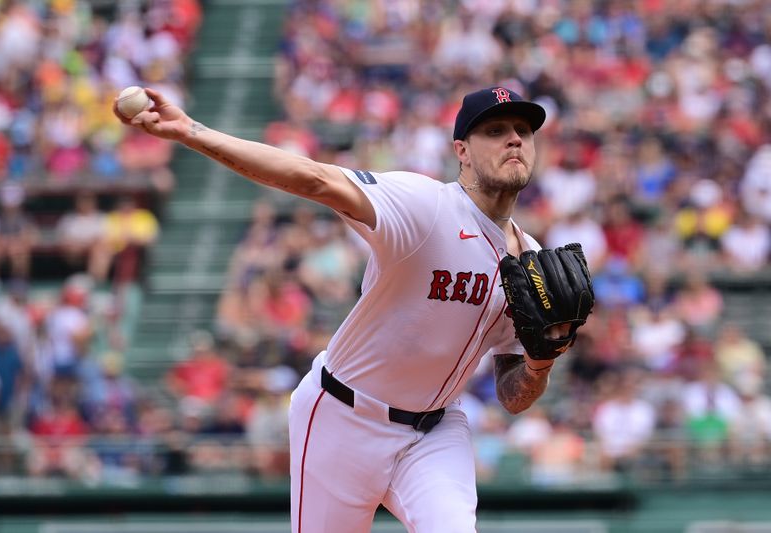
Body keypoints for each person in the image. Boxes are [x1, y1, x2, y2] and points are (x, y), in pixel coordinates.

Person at [114, 86, 591, 532]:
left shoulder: (532, 266)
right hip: (341, 417)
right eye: (494, 130)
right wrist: (192, 131)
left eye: (523, 131)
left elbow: (513, 396)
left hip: (434, 431)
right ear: (461, 151)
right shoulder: (426, 207)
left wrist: (541, 359)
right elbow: (316, 179)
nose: (513, 139)